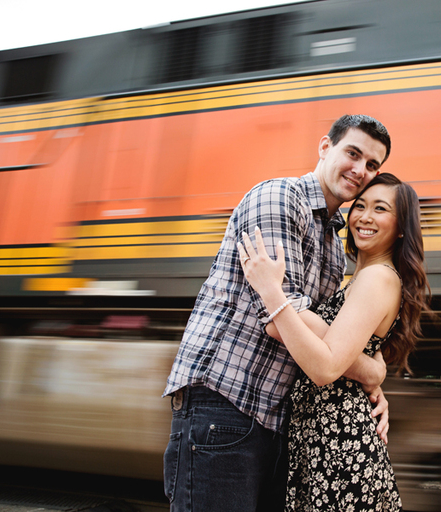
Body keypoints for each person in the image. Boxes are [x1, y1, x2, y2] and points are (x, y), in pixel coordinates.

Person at [162, 115, 393, 512]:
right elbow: (281, 319)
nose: (361, 170)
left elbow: (325, 332)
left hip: (275, 419)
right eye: (352, 153)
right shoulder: (280, 199)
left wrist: (366, 376)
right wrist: (367, 370)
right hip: (226, 407)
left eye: (372, 165)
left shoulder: (335, 245)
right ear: (325, 148)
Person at [239, 173, 431, 511]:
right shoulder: (360, 278)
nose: (365, 217)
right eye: (360, 206)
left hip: (340, 442)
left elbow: (326, 366)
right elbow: (355, 350)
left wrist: (272, 294)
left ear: (401, 227)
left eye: (380, 209)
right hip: (325, 438)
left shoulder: (377, 278)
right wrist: (373, 372)